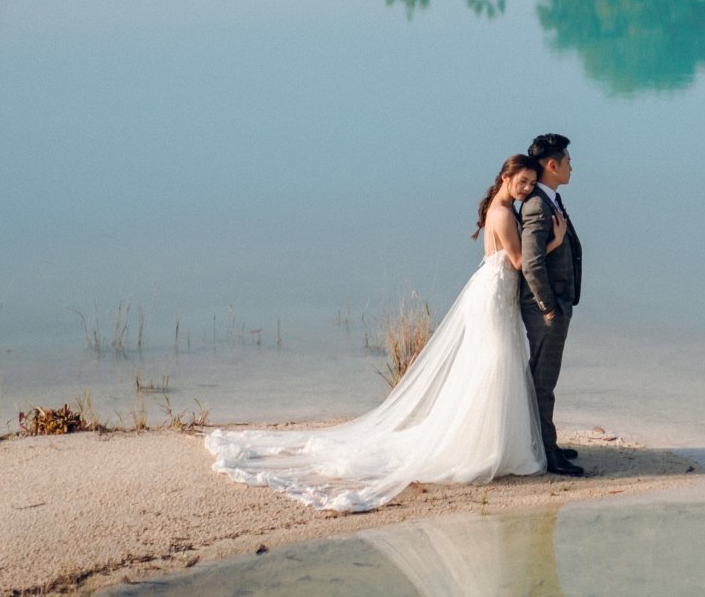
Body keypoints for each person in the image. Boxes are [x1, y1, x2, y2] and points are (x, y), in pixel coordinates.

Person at [205, 155, 556, 511]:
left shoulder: (500, 208)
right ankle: (482, 445)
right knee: (494, 364)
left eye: (530, 182)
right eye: (522, 181)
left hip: (491, 294)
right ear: (505, 176)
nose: (527, 188)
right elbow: (517, 262)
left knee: (490, 365)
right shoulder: (502, 213)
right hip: (493, 295)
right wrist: (554, 242)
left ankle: (489, 442)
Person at [517, 133, 585, 476]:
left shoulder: (550, 200)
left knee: (544, 380)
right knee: (543, 383)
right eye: (568, 161)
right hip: (545, 307)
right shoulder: (537, 206)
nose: (573, 167)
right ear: (552, 165)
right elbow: (530, 263)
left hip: (555, 304)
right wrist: (547, 307)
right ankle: (546, 453)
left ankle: (547, 443)